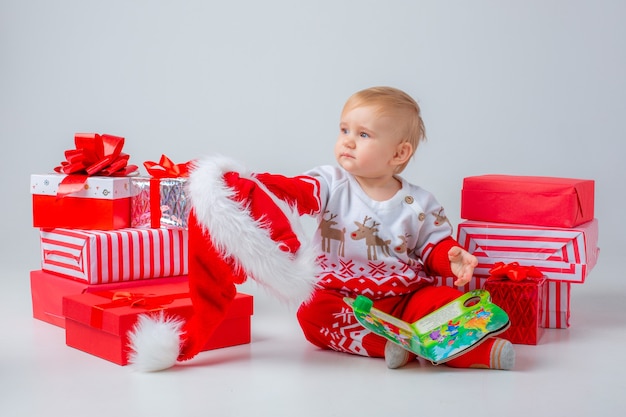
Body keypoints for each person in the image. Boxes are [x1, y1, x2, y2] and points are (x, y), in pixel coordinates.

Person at [295, 86, 515, 370]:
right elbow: (300, 192)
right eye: (344, 130)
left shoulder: (419, 203)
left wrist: (450, 257)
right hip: (343, 298)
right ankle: (391, 345)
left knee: (447, 301)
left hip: (406, 299)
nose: (348, 142)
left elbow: (432, 245)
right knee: (312, 312)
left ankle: (482, 353)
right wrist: (270, 189)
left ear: (399, 153)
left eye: (363, 135)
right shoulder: (331, 182)